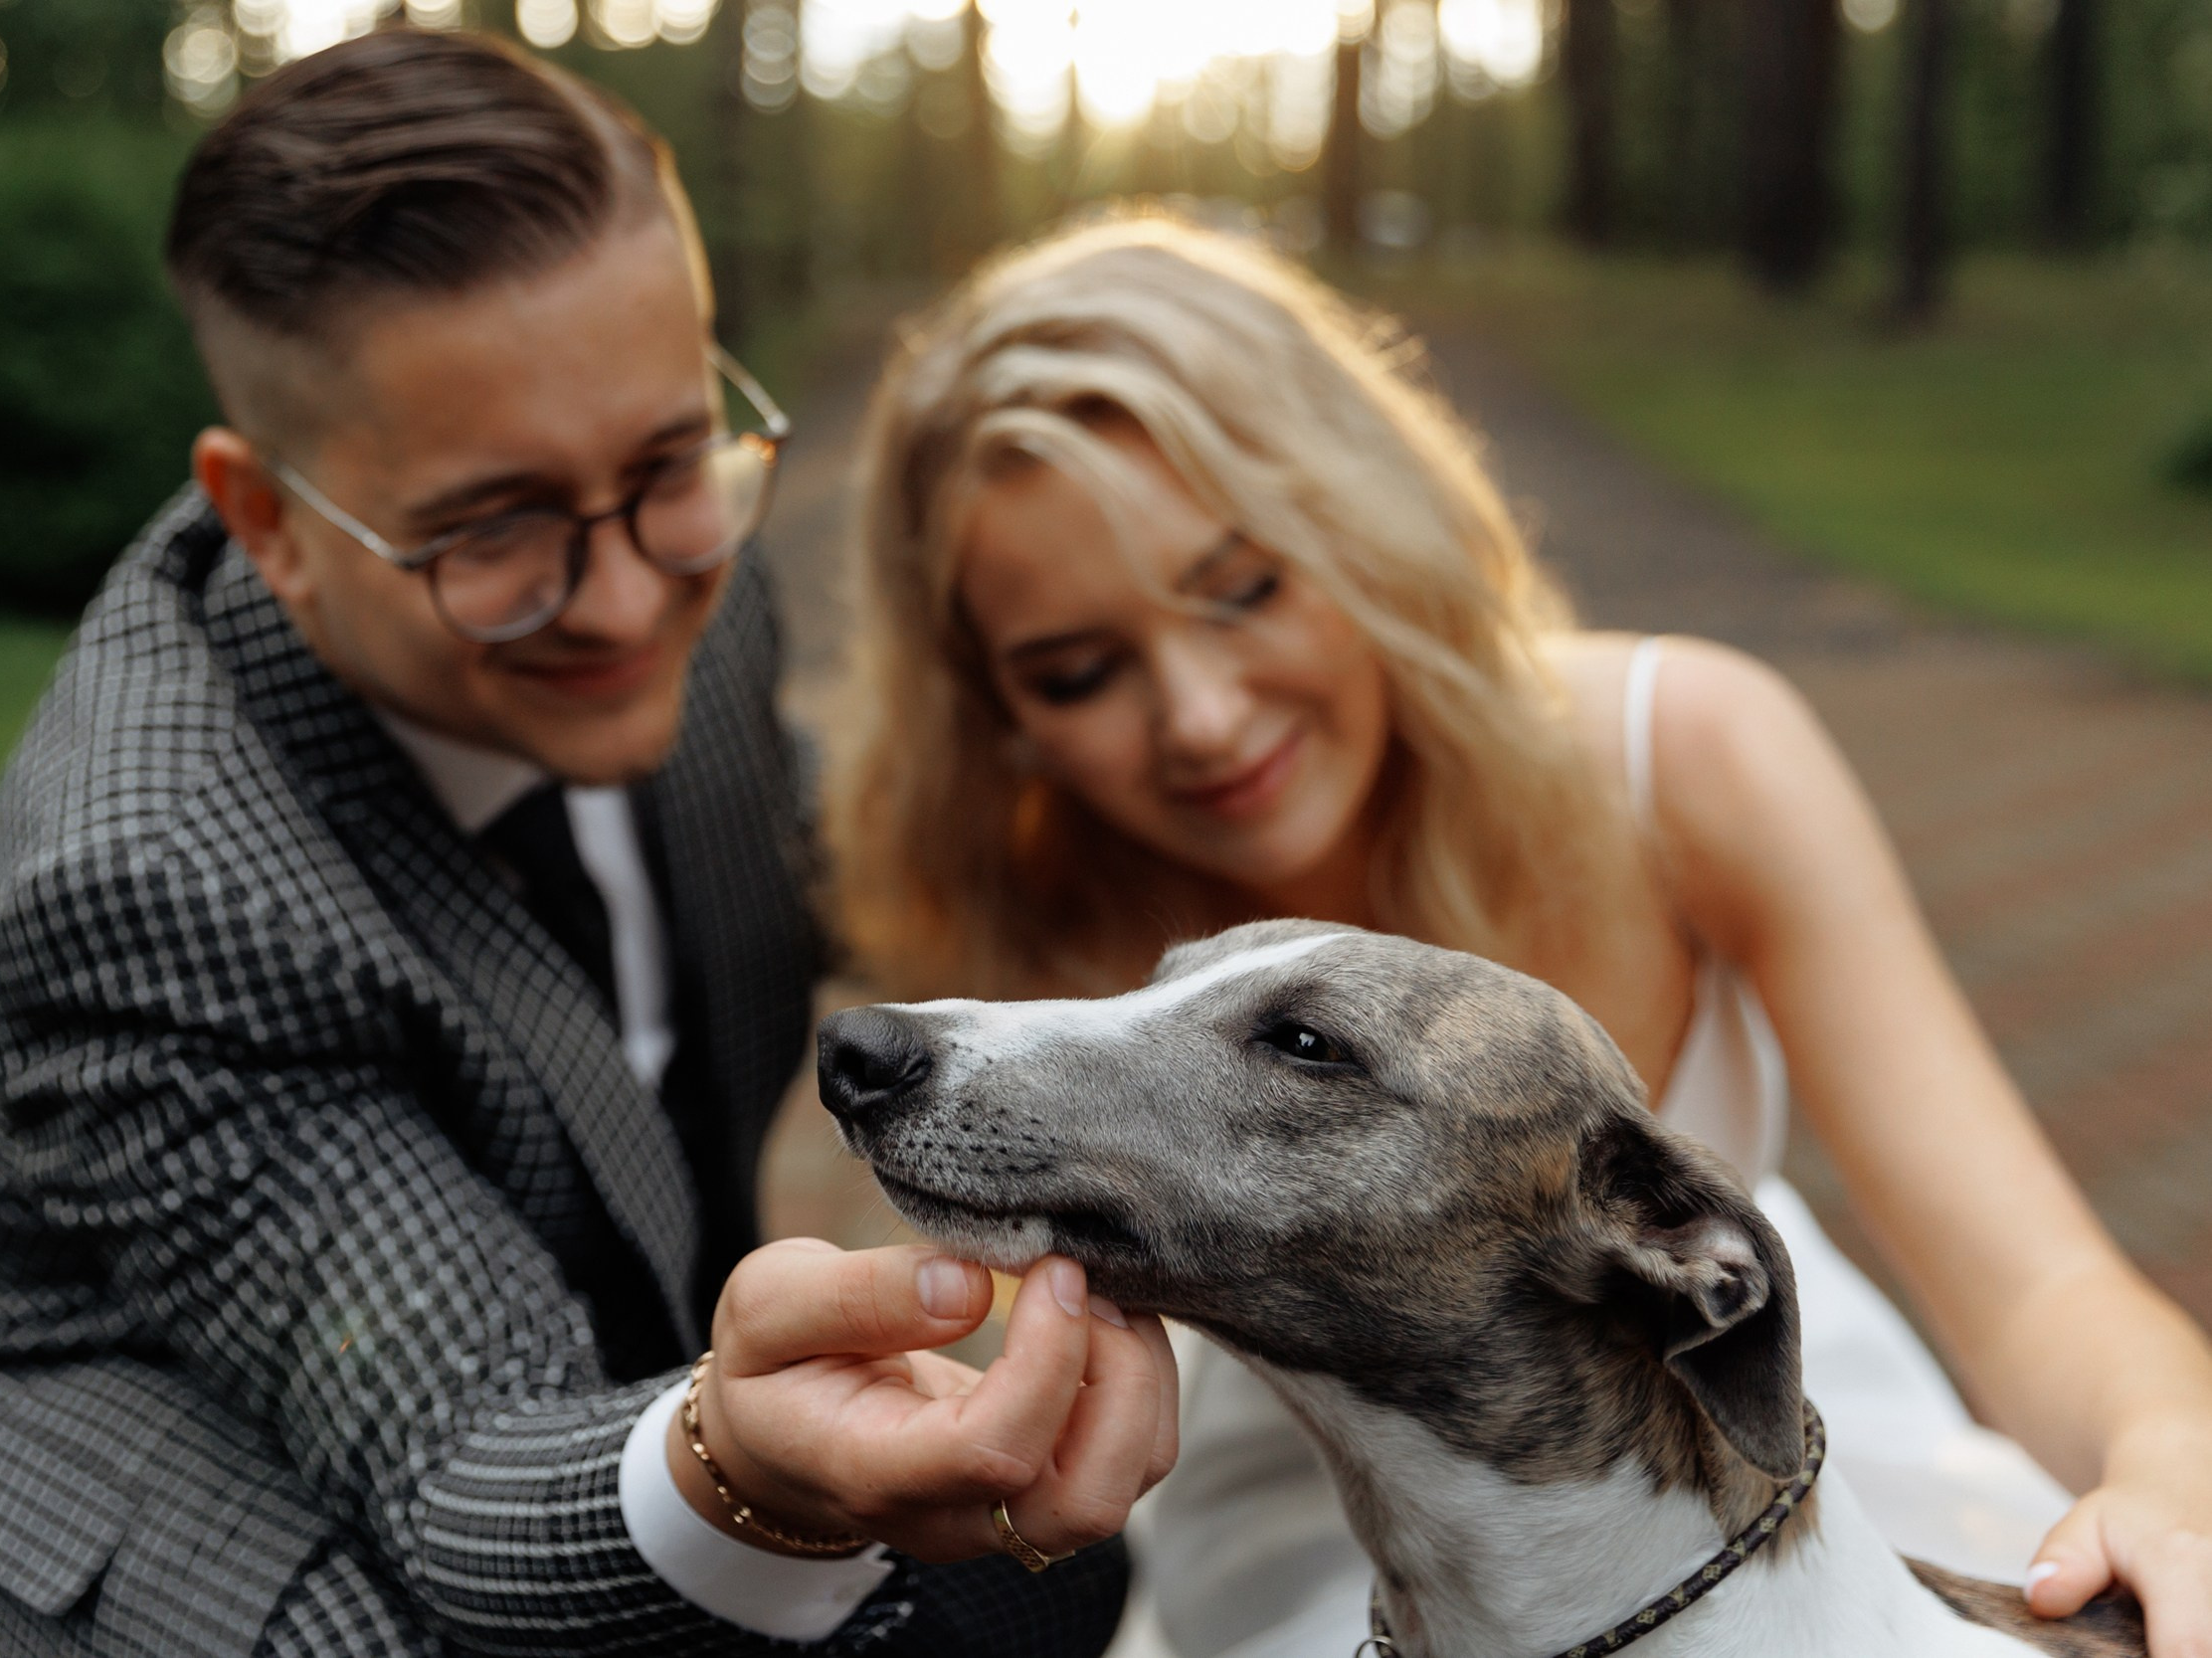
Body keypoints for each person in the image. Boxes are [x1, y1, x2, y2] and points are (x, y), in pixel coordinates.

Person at [0, 33, 1178, 1658]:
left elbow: (845, 865)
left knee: (1027, 1592)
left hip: (528, 1351)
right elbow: (452, 1452)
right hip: (71, 1481)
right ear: (267, 520)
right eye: (490, 530)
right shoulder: (143, 884)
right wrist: (739, 1470)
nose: (633, 602)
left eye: (661, 464)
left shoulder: (676, 559)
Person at [826, 215, 2212, 1657]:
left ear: (1359, 523)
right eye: (1079, 671)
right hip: (1296, 1564)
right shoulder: (1042, 900)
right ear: (993, 709)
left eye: (1244, 588)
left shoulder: (1684, 756)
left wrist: (2173, 1463)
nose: (1202, 717)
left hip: (1755, 1489)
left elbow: (2037, 1283)